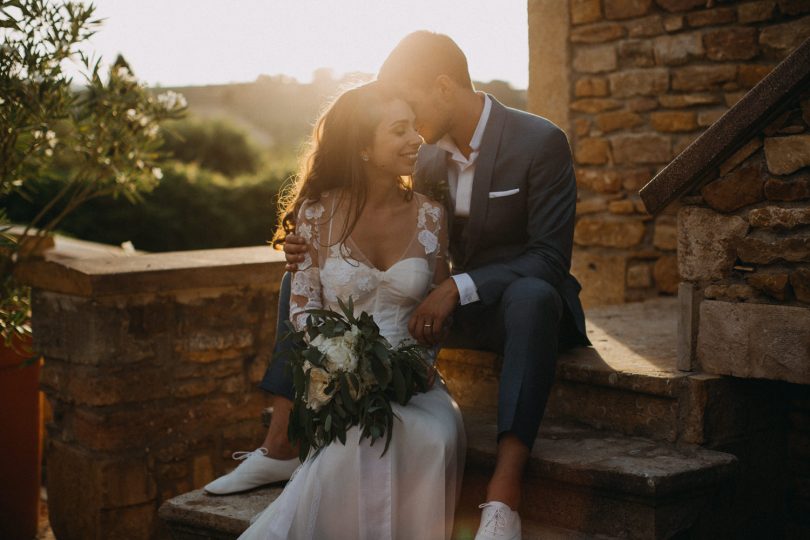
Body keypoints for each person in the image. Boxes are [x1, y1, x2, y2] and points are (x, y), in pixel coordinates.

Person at [208, 31, 590, 540]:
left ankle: (503, 496)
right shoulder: (425, 155)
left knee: (533, 296)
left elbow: (548, 257)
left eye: (411, 102)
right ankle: (279, 443)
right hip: (440, 311)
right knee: (301, 283)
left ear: (442, 87)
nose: (407, 120)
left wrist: (456, 287)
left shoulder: (539, 141)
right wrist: (310, 250)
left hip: (519, 308)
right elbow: (387, 228)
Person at [231, 81, 466, 540]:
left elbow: (436, 318)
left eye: (414, 127)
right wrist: (340, 372)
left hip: (415, 383)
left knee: (432, 437)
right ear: (362, 146)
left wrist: (414, 367)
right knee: (356, 440)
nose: (416, 138)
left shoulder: (431, 215)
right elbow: (302, 312)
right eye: (399, 130)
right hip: (338, 386)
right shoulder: (315, 216)